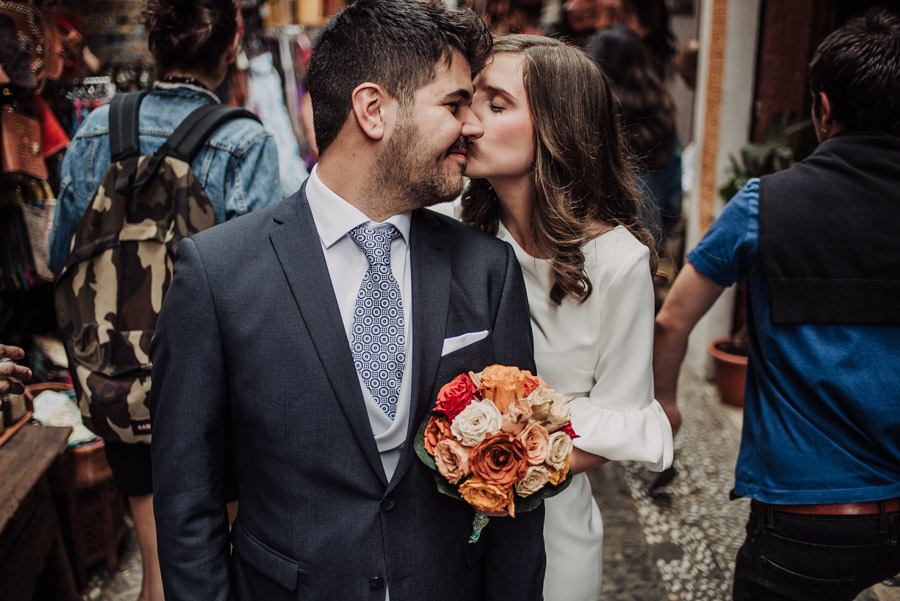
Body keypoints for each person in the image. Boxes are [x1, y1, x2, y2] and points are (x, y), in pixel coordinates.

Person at [149, 2, 546, 600]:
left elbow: (518, 492)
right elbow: (187, 499)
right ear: (373, 109)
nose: (472, 127)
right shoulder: (217, 273)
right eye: (454, 104)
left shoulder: (487, 270)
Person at [653, 9, 900, 600]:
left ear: (821, 109)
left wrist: (665, 402)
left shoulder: (766, 204)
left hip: (805, 519)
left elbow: (673, 318)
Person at [47, 2, 281, 600]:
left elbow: (59, 257)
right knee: (216, 561)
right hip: (212, 397)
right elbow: (262, 288)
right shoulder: (243, 140)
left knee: (157, 566)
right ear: (230, 50)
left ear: (155, 45)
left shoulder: (96, 128)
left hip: (118, 386)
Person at [460, 34, 674, 601]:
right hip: (444, 530)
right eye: (470, 100)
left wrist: (500, 471)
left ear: (557, 127)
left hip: (554, 530)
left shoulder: (618, 263)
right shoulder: (452, 228)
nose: (469, 122)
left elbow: (623, 420)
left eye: (496, 105)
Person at [587, 24, 682, 249]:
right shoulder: (662, 117)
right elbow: (673, 205)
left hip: (586, 249)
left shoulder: (584, 117)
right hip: (645, 245)